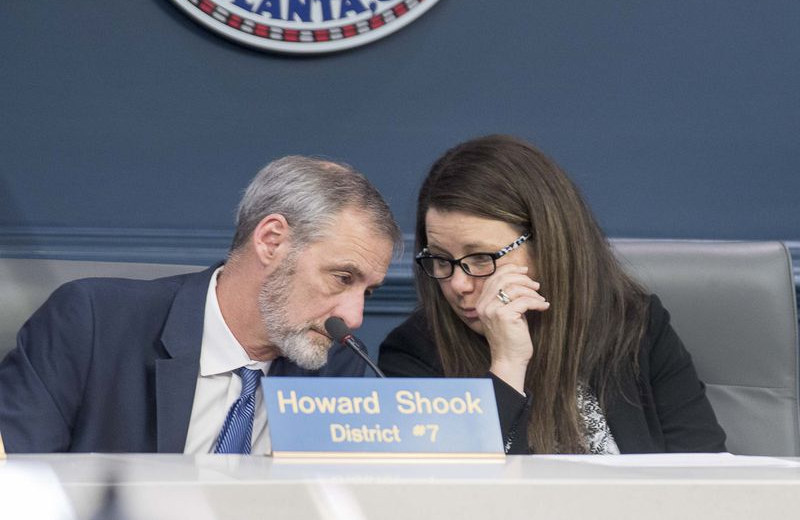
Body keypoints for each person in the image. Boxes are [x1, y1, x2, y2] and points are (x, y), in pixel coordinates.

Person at [0, 155, 401, 453]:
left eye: (367, 291)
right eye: (342, 278)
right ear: (272, 241)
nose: (354, 316)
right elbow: (18, 483)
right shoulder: (92, 324)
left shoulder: (340, 370)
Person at [379, 135, 726, 454]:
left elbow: (705, 470)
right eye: (440, 259)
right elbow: (443, 495)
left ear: (547, 245)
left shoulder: (634, 325)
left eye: (482, 258)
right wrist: (506, 366)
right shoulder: (414, 352)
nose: (458, 285)